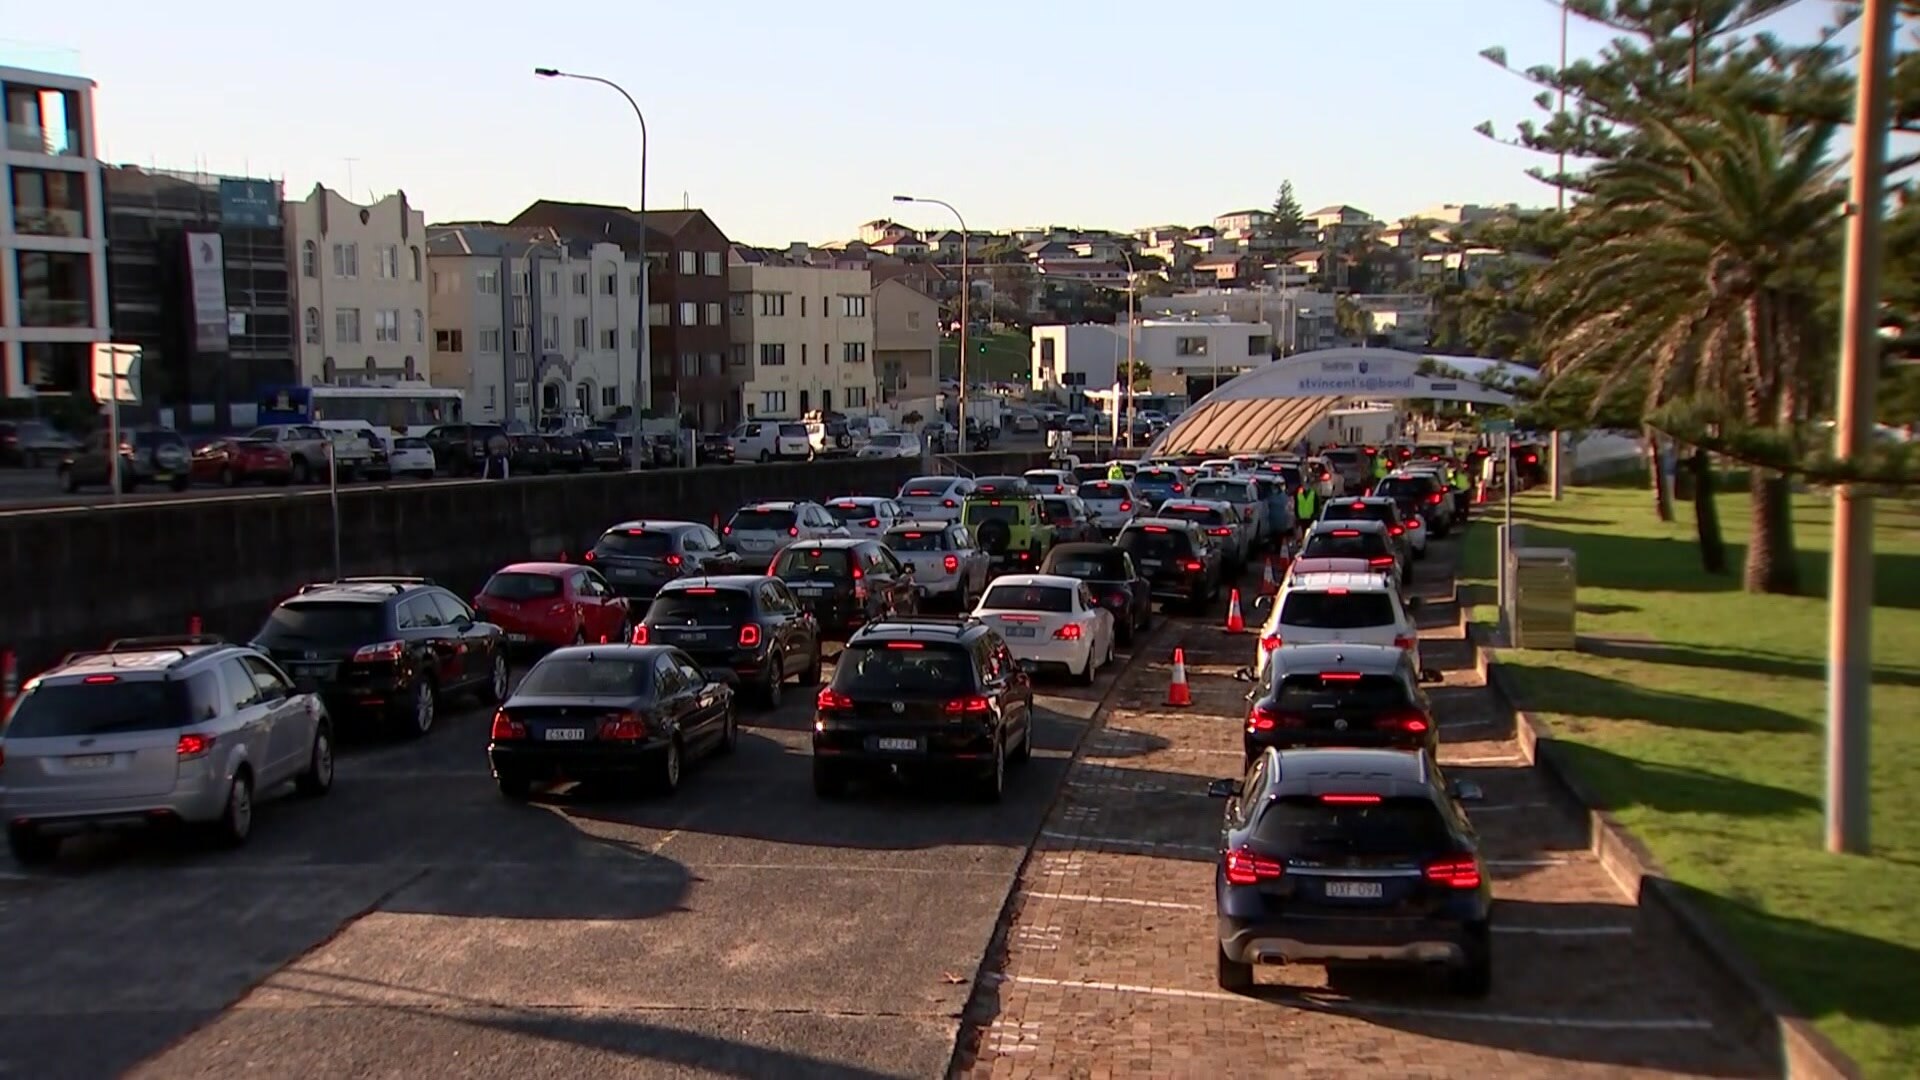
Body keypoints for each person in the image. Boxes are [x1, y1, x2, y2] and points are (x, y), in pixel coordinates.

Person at [1292, 481, 1318, 547]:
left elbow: (1316, 505)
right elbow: (1296, 505)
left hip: (1310, 518)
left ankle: (1307, 545)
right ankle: (1303, 545)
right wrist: (1297, 515)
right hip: (1301, 518)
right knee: (1303, 534)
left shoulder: (1313, 493)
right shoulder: (1298, 493)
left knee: (1309, 534)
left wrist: (1315, 514)